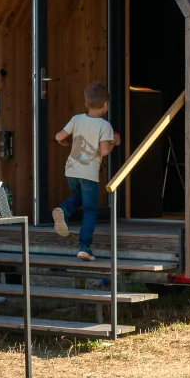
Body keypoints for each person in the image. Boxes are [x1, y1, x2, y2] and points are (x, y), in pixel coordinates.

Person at [51, 82, 120, 260]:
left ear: (85, 104)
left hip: (71, 170)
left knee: (79, 197)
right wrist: (115, 142)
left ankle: (63, 210)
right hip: (88, 174)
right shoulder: (105, 126)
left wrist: (63, 142)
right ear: (106, 105)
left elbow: (58, 136)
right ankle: (84, 247)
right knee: (90, 209)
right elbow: (104, 151)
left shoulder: (77, 119)